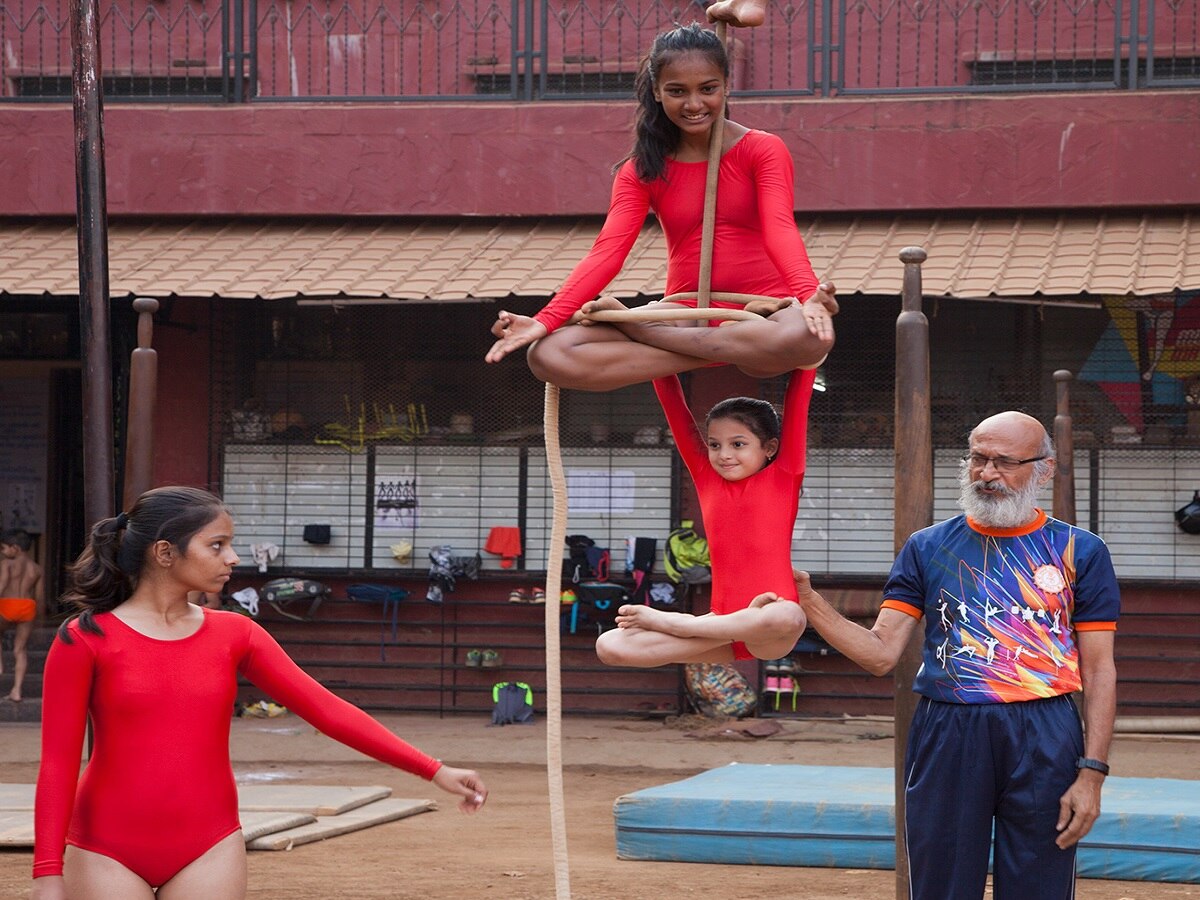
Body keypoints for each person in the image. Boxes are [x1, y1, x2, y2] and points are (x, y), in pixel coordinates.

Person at [32, 487, 487, 900]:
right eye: (217, 545)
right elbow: (58, 762)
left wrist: (433, 769)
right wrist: (47, 873)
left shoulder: (236, 634)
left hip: (208, 846)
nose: (232, 558)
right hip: (104, 849)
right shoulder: (84, 639)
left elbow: (327, 710)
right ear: (165, 552)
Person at [794, 411, 1119, 900]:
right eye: (978, 459)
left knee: (1041, 885)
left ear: (1044, 470)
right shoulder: (927, 547)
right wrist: (810, 602)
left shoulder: (1081, 551)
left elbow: (1098, 669)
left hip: (1046, 730)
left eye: (1004, 462)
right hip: (948, 728)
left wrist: (1092, 773)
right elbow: (880, 654)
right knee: (940, 883)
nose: (987, 474)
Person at [485, 23, 838, 392]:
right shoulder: (641, 169)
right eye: (677, 91)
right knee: (548, 354)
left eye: (708, 89)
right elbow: (607, 253)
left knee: (808, 336)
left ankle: (646, 332)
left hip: (763, 310)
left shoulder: (762, 149)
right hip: (685, 311)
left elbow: (780, 228)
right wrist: (546, 320)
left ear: (726, 85)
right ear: (657, 91)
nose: (694, 104)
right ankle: (718, 347)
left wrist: (807, 295)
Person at [595, 366, 813, 667]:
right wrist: (657, 354)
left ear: (770, 447)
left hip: (768, 627)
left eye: (738, 444)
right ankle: (695, 626)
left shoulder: (784, 475)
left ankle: (677, 623)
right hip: (718, 630)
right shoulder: (706, 476)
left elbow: (799, 397)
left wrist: (809, 357)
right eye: (714, 444)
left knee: (789, 615)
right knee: (609, 646)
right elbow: (673, 404)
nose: (724, 454)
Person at [0, 529, 43, 703]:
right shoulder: (37, 569)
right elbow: (39, 596)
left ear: (15, 548)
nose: (3, 552)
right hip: (27, 607)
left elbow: (2, 585)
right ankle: (17, 690)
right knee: (20, 649)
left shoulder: (6, 564)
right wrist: (38, 618)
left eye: (3, 548)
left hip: (7, 605)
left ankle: (0, 666)